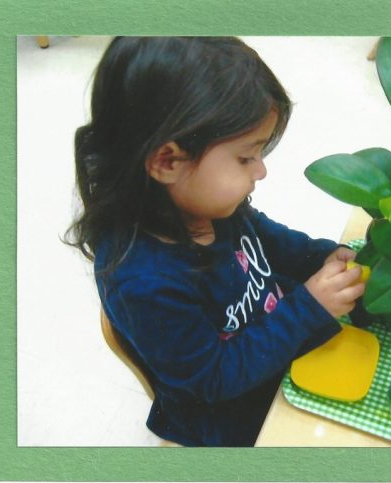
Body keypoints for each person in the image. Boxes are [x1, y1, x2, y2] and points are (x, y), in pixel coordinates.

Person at [64, 36, 366, 447]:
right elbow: (213, 378)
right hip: (231, 412)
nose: (260, 171)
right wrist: (308, 309)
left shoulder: (206, 205)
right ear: (167, 161)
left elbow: (265, 237)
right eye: (246, 157)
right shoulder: (143, 283)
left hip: (279, 339)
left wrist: (321, 255)